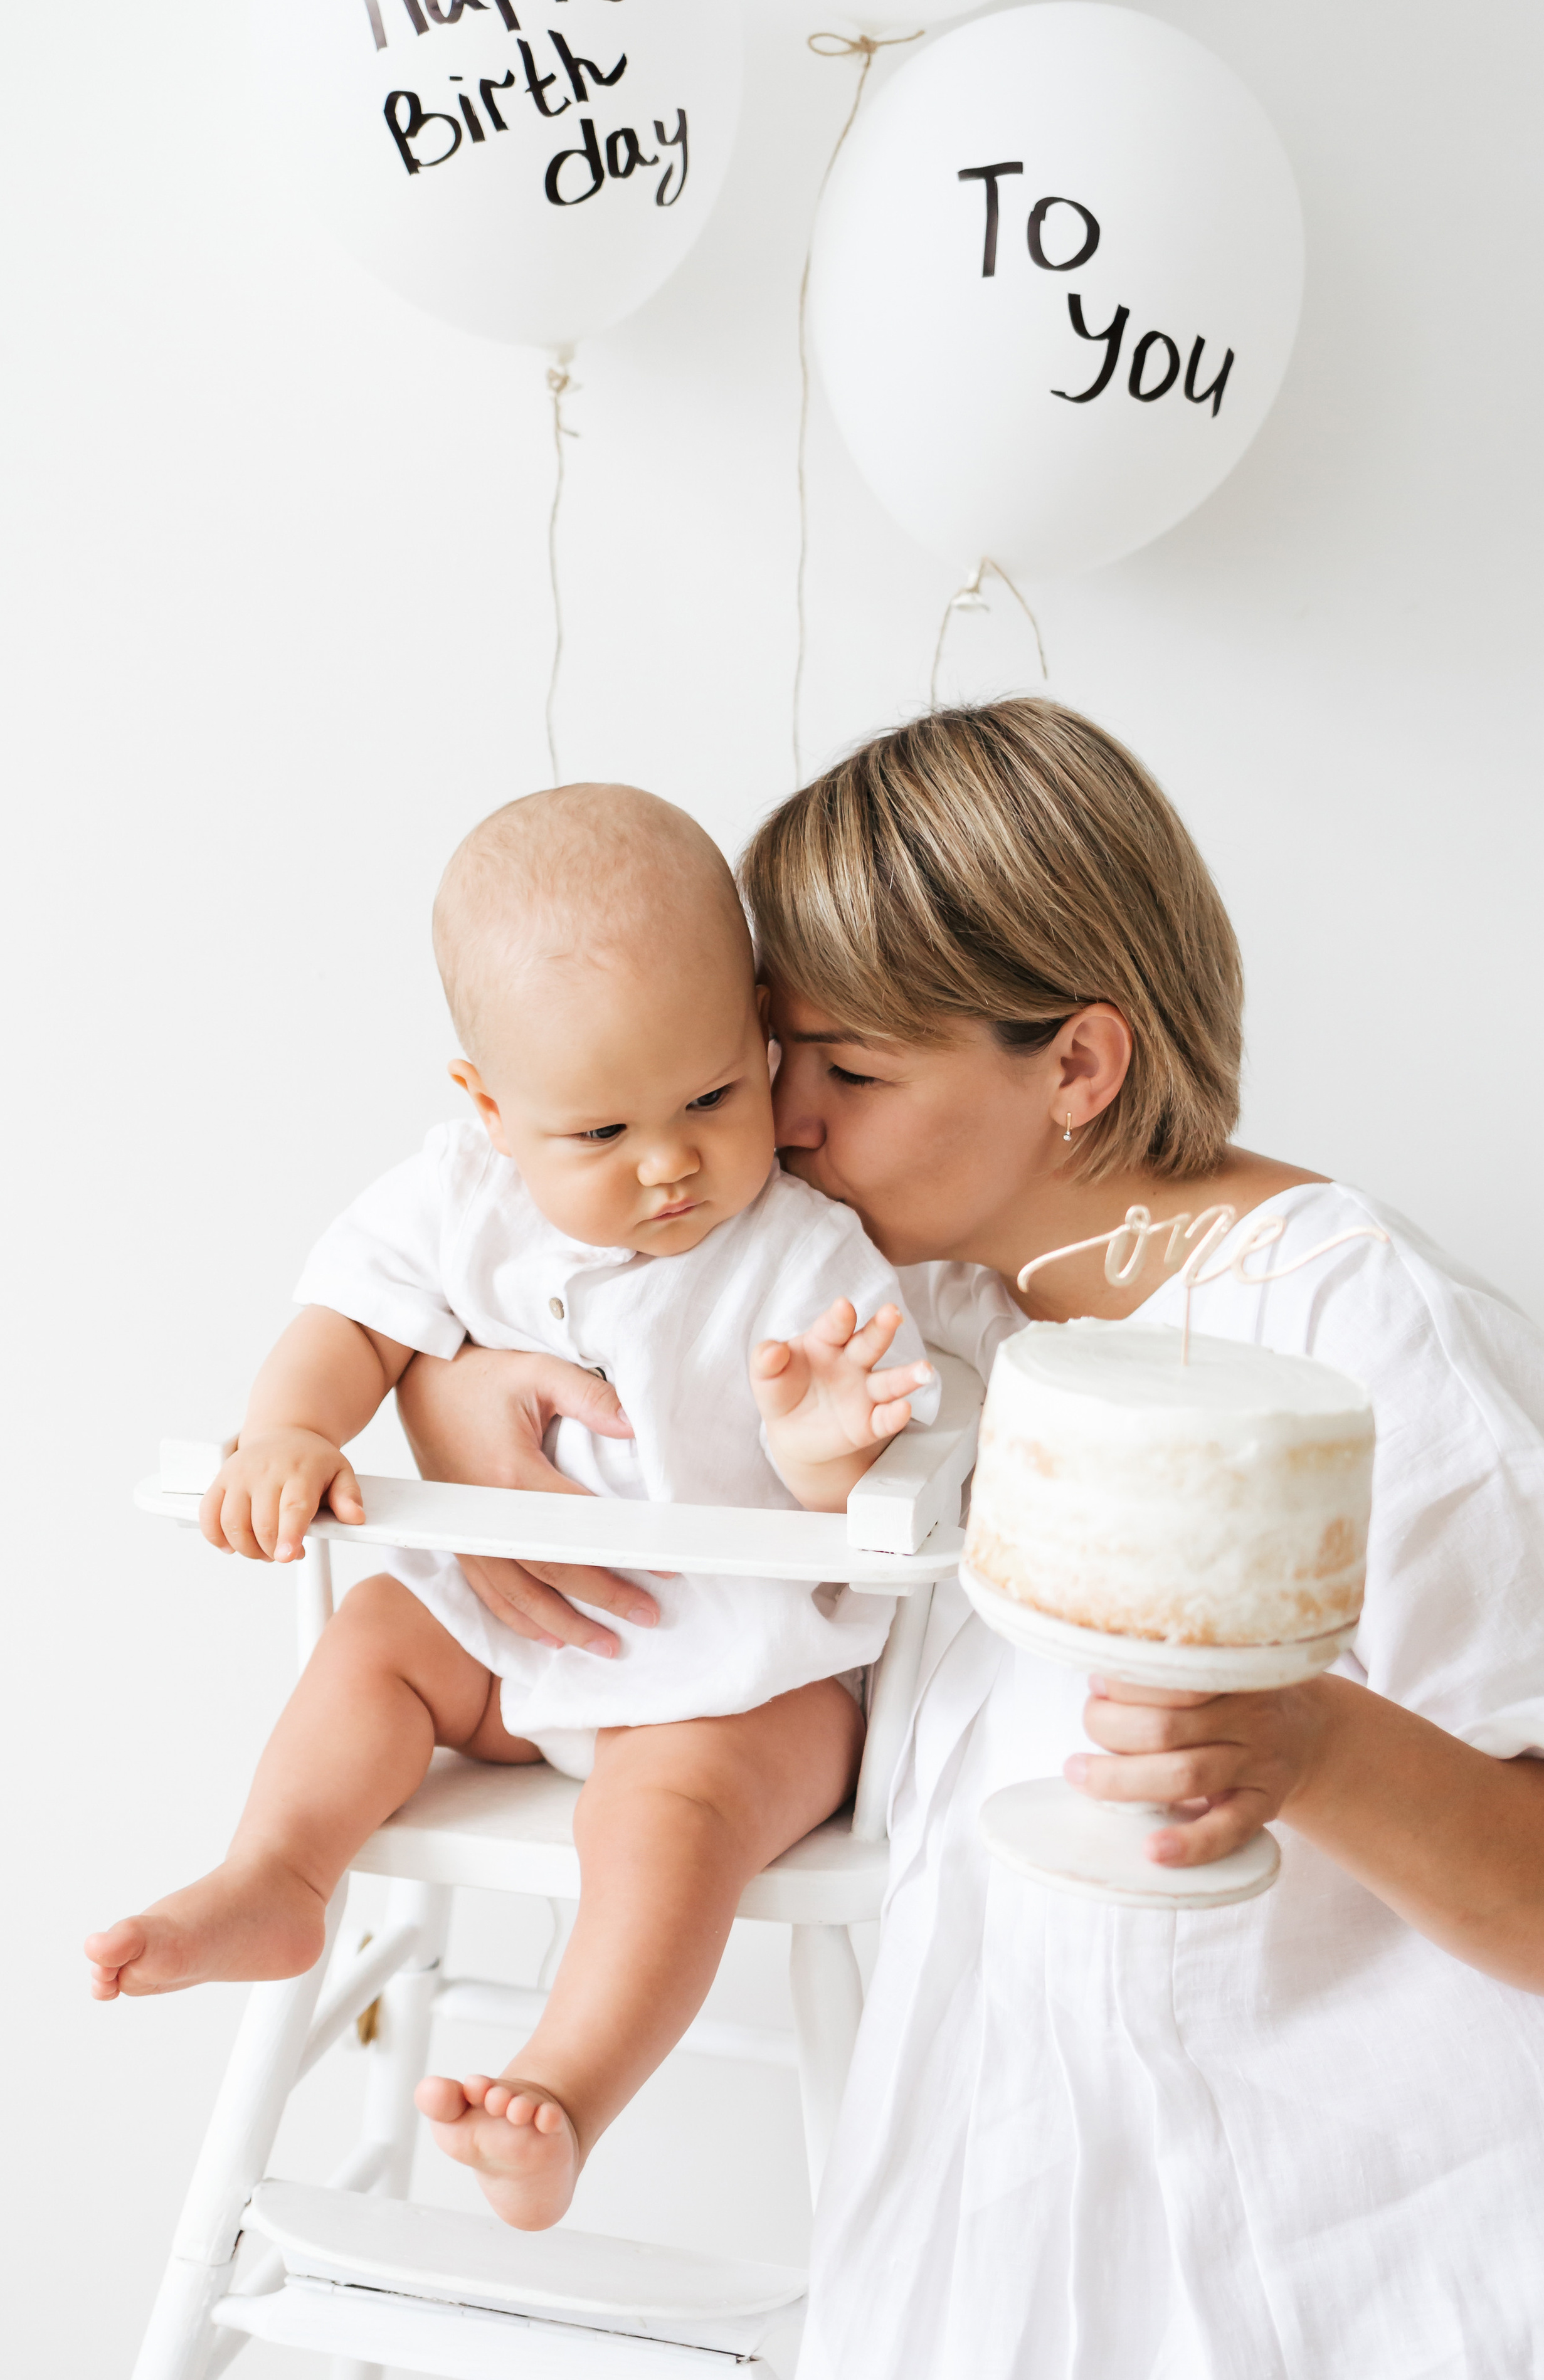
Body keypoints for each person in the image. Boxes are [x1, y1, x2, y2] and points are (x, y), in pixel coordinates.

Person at [403, 702, 1544, 2373]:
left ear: (1078, 1065)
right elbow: (523, 1230)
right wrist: (451, 1387)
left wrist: (1312, 1740)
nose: (783, 1120)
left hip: (1347, 2266)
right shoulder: (937, 1321)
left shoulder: (1354, 1332)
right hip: (1016, 2243)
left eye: (849, 1071)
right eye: (778, 1057)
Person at [83, 782, 947, 2235]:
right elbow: (347, 1317)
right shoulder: (457, 1196)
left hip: (742, 1676)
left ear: (757, 1032)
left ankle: (566, 2082)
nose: (667, 1161)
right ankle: (275, 1870)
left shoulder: (808, 1253)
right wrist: (291, 1427)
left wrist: (820, 1451)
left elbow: (855, 1482)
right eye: (600, 1128)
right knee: (373, 1631)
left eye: (712, 1099)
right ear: (488, 1106)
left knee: (665, 1813)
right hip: (510, 1645)